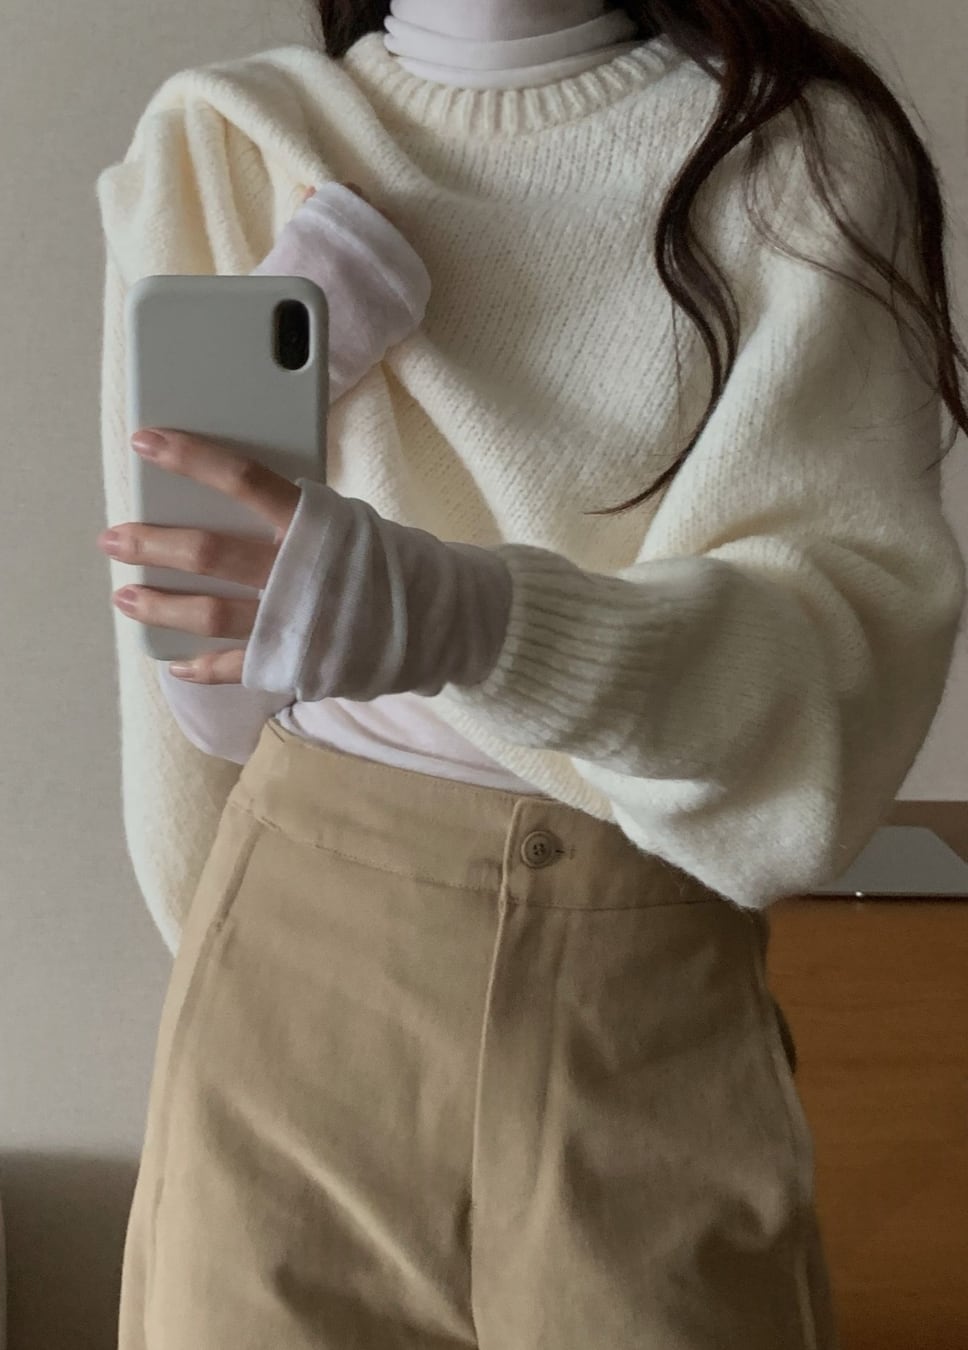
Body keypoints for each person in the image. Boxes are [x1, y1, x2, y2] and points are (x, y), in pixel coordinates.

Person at [94, 1, 967, 1345]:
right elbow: (196, 687)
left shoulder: (795, 158)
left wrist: (466, 618)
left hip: (639, 994)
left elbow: (825, 701)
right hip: (293, 989)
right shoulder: (231, 140)